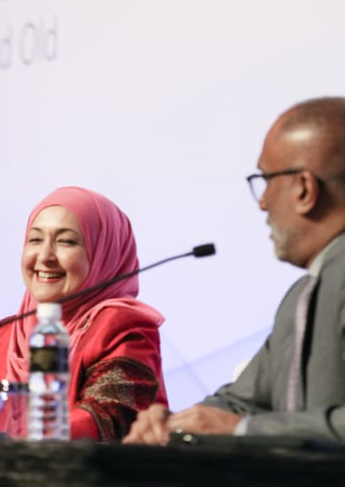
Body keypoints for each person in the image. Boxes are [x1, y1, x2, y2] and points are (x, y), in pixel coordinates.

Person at [125, 96, 345, 445]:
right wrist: (174, 423)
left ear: (304, 189)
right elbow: (242, 401)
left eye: (267, 179)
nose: (262, 201)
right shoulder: (301, 296)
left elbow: (240, 421)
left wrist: (243, 431)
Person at [0, 186, 168, 441]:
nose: (44, 256)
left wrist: (33, 434)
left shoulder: (122, 326)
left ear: (104, 253)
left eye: (66, 241)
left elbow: (113, 418)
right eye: (35, 239)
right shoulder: (1, 336)